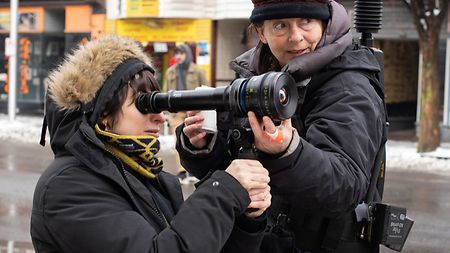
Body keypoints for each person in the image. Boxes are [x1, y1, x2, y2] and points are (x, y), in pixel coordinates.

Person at [176, 0, 387, 252]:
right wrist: (203, 144)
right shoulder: (252, 79)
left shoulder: (348, 86)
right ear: (261, 32)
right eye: (280, 26)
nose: (296, 37)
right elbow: (231, 168)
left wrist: (289, 150)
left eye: (306, 22)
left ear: (324, 23)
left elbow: (344, 187)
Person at [31, 35, 271, 253]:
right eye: (143, 105)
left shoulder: (143, 175)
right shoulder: (68, 188)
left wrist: (245, 218)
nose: (159, 117)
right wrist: (223, 192)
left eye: (157, 105)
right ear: (103, 114)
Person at [164, 43, 208, 183]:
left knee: (196, 139)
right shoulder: (170, 72)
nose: (178, 57)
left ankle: (195, 169)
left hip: (193, 112)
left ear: (187, 54)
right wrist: (166, 112)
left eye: (181, 53)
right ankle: (182, 170)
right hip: (176, 113)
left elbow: (206, 89)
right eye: (176, 54)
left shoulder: (198, 71)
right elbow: (165, 92)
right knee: (179, 140)